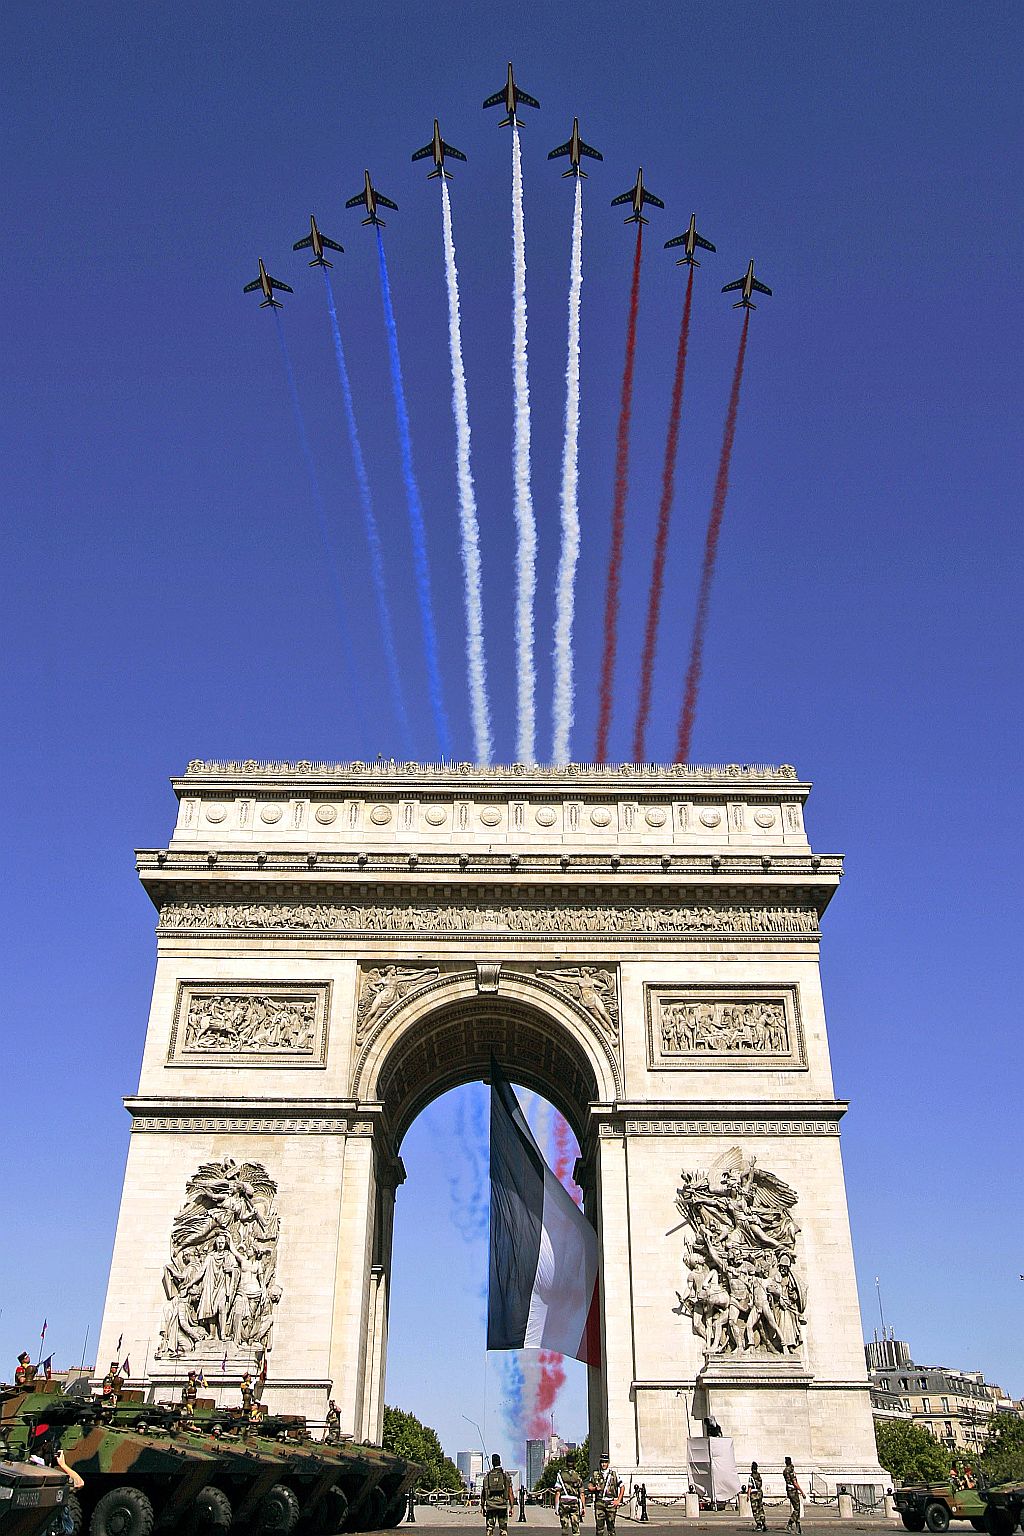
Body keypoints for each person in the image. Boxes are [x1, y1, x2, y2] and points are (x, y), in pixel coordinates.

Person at [589, 1454, 623, 1536]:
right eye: (602, 1462)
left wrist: (618, 1500)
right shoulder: (595, 1474)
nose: (604, 1464)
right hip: (599, 1503)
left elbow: (622, 1487)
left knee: (611, 1528)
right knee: (599, 1529)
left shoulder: (614, 1474)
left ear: (608, 1463)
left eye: (605, 1462)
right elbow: (589, 1486)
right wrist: (594, 1489)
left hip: (610, 1503)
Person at [481, 1453, 514, 1536]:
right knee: (503, 1529)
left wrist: (482, 1506)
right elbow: (510, 1492)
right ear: (500, 1462)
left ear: (492, 1463)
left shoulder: (487, 1477)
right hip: (502, 1505)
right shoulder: (505, 1476)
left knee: (490, 1528)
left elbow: (484, 1493)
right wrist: (511, 1506)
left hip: (490, 1505)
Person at [555, 1464, 585, 1536]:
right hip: (574, 1502)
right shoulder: (577, 1476)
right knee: (576, 1528)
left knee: (564, 1529)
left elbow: (557, 1492)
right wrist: (583, 1507)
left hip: (564, 1503)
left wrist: (556, 1507)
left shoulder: (560, 1475)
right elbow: (582, 1493)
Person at [783, 1458, 803, 1535]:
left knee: (796, 1508)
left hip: (789, 1490)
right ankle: (790, 1524)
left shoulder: (785, 1471)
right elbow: (795, 1482)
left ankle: (798, 1527)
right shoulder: (791, 1470)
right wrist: (802, 1492)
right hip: (793, 1491)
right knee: (797, 1509)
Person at [748, 1463, 767, 1533]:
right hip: (759, 1493)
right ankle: (764, 1523)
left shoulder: (751, 1477)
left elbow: (750, 1486)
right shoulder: (759, 1476)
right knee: (761, 1509)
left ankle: (759, 1525)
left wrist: (748, 1495)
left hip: (754, 1494)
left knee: (755, 1510)